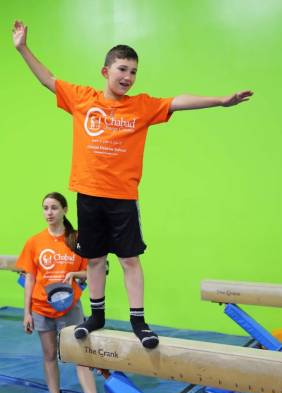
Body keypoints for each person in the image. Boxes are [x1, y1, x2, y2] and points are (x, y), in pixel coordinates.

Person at [12, 21, 253, 350]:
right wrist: (23, 48)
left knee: (129, 259)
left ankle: (139, 320)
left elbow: (177, 101)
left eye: (134, 71)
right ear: (105, 70)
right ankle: (96, 316)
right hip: (88, 195)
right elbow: (48, 80)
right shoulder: (83, 99)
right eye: (122, 69)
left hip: (122, 197)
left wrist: (220, 100)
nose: (128, 77)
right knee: (94, 259)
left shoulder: (140, 106)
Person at [16, 192, 119, 393]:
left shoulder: (77, 240)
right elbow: (30, 279)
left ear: (65, 210)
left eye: (54, 208)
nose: (49, 213)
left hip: (70, 308)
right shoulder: (34, 242)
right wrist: (26, 312)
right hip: (42, 307)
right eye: (45, 208)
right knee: (50, 355)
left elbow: (96, 269)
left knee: (81, 356)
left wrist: (75, 273)